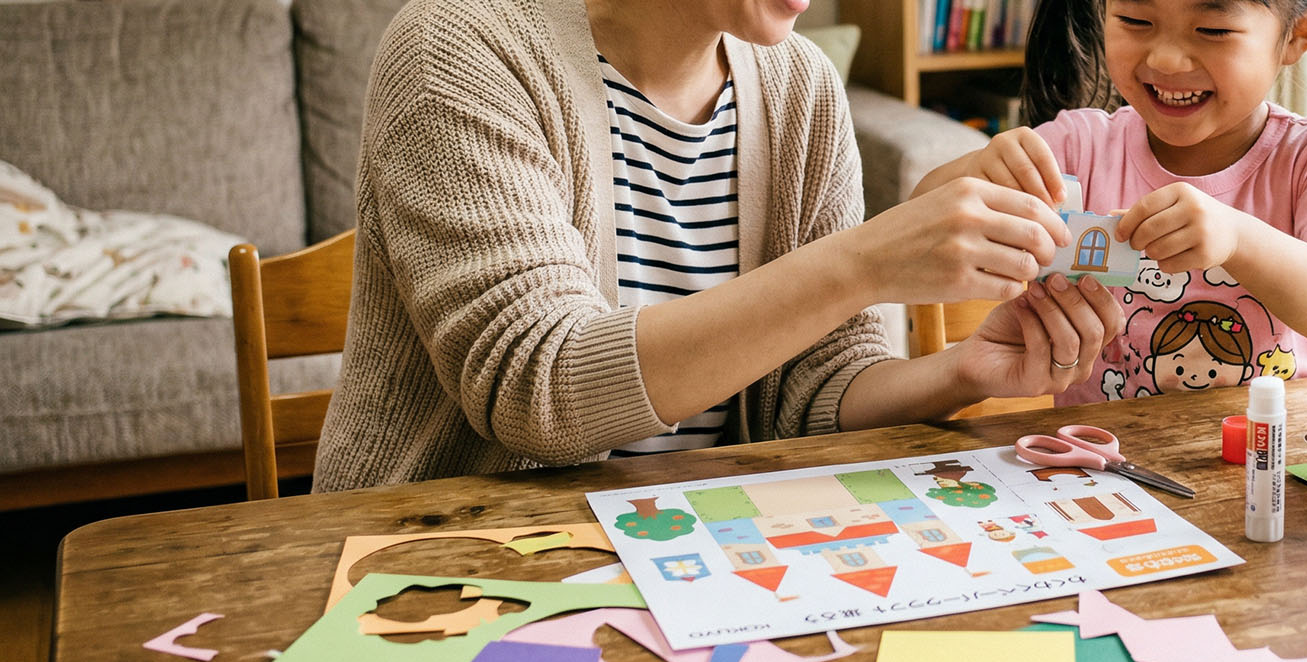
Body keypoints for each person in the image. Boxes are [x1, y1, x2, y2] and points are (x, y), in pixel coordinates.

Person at [313, 0, 1124, 491]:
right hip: (443, 570)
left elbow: (812, 399)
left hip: (698, 555)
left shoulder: (800, 83)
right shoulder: (457, 49)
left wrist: (960, 374)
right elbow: (542, 390)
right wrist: (865, 262)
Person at [913, 0, 1307, 403]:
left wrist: (1237, 237)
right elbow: (914, 226)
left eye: (1212, 30)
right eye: (1136, 20)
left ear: (1299, 32)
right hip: (1105, 470)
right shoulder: (1077, 147)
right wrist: (977, 171)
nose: (1164, 58)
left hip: (1276, 468)